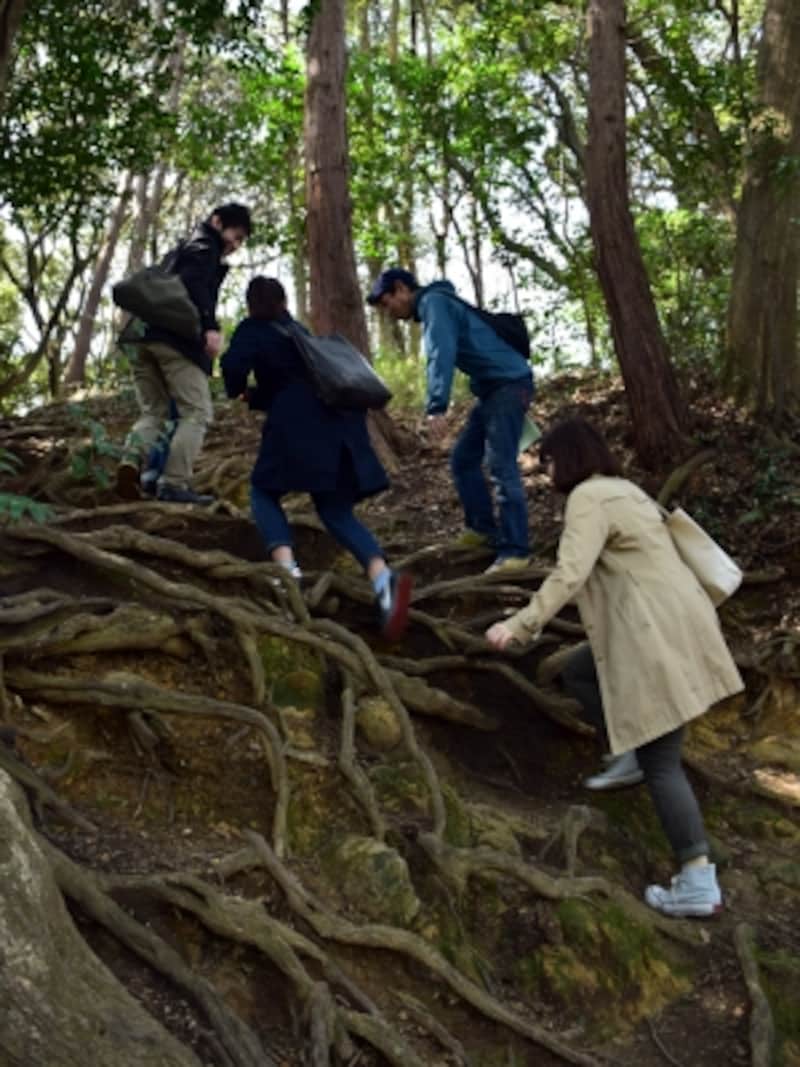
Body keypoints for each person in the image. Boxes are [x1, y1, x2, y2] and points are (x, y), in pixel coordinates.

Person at [484, 418, 744, 918]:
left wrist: (520, 624)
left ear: (571, 458)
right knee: (579, 672)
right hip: (677, 625)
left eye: (551, 460)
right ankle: (627, 749)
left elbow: (570, 573)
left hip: (653, 638)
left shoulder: (587, 498)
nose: (548, 470)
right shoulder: (626, 490)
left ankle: (696, 878)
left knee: (663, 764)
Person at [220, 276, 412, 640]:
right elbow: (293, 381)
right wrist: (259, 396)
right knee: (335, 511)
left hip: (299, 428)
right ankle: (384, 580)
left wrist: (242, 390)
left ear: (251, 303)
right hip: (341, 427)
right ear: (283, 300)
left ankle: (287, 576)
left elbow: (234, 374)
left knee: (263, 491)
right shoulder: (297, 332)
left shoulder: (254, 329)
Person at [367, 268, 534, 574]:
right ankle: (483, 532)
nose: (388, 312)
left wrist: (436, 406)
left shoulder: (434, 303)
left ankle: (516, 552)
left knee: (501, 467)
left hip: (508, 386)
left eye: (387, 302)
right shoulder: (438, 302)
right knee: (463, 460)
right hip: (493, 390)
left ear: (402, 289)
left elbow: (440, 351)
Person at [116, 203, 252, 505]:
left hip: (140, 338)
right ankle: (173, 483)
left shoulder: (178, 250)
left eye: (241, 240)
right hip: (173, 342)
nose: (235, 244)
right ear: (217, 222)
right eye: (236, 235)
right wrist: (210, 326)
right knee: (198, 411)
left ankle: (130, 461)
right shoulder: (204, 246)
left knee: (154, 411)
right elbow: (194, 284)